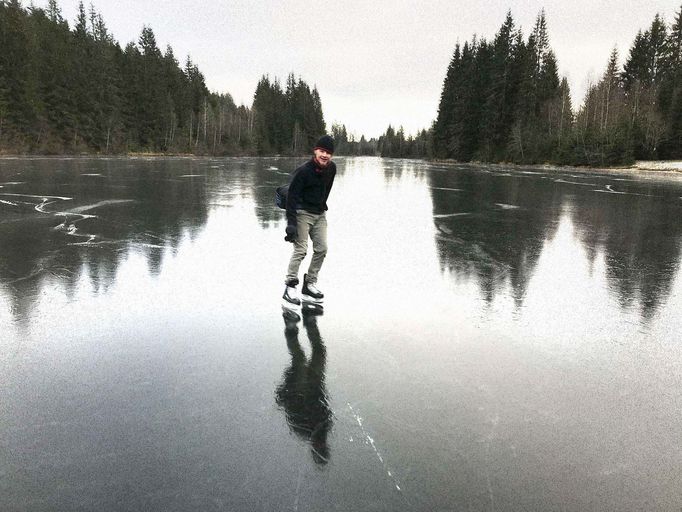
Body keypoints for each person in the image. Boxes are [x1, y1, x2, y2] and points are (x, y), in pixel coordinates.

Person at [282, 135, 336, 307]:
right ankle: (290, 287)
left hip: (319, 214)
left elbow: (326, 189)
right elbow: (291, 198)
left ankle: (309, 284)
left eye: (328, 153)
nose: (325, 155)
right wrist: (291, 224)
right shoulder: (304, 171)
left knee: (322, 249)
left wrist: (321, 204)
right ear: (315, 151)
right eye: (322, 151)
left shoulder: (332, 168)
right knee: (301, 249)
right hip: (302, 213)